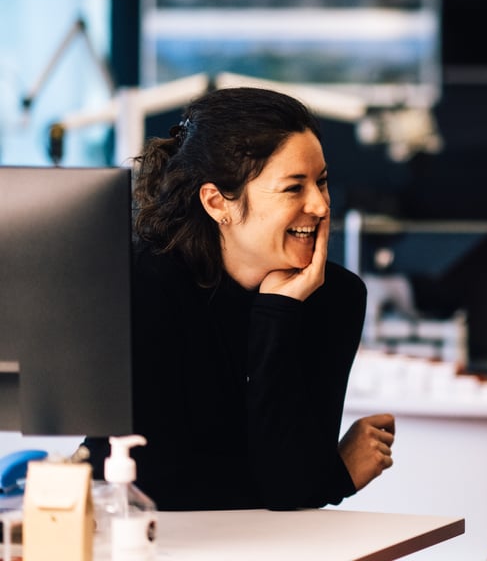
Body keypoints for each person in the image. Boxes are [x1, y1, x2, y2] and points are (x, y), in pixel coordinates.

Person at [82, 86, 395, 510]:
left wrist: (278, 313)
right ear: (217, 202)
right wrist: (330, 474)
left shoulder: (333, 298)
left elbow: (292, 484)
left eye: (321, 182)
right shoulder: (144, 286)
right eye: (293, 188)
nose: (320, 206)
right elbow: (149, 486)